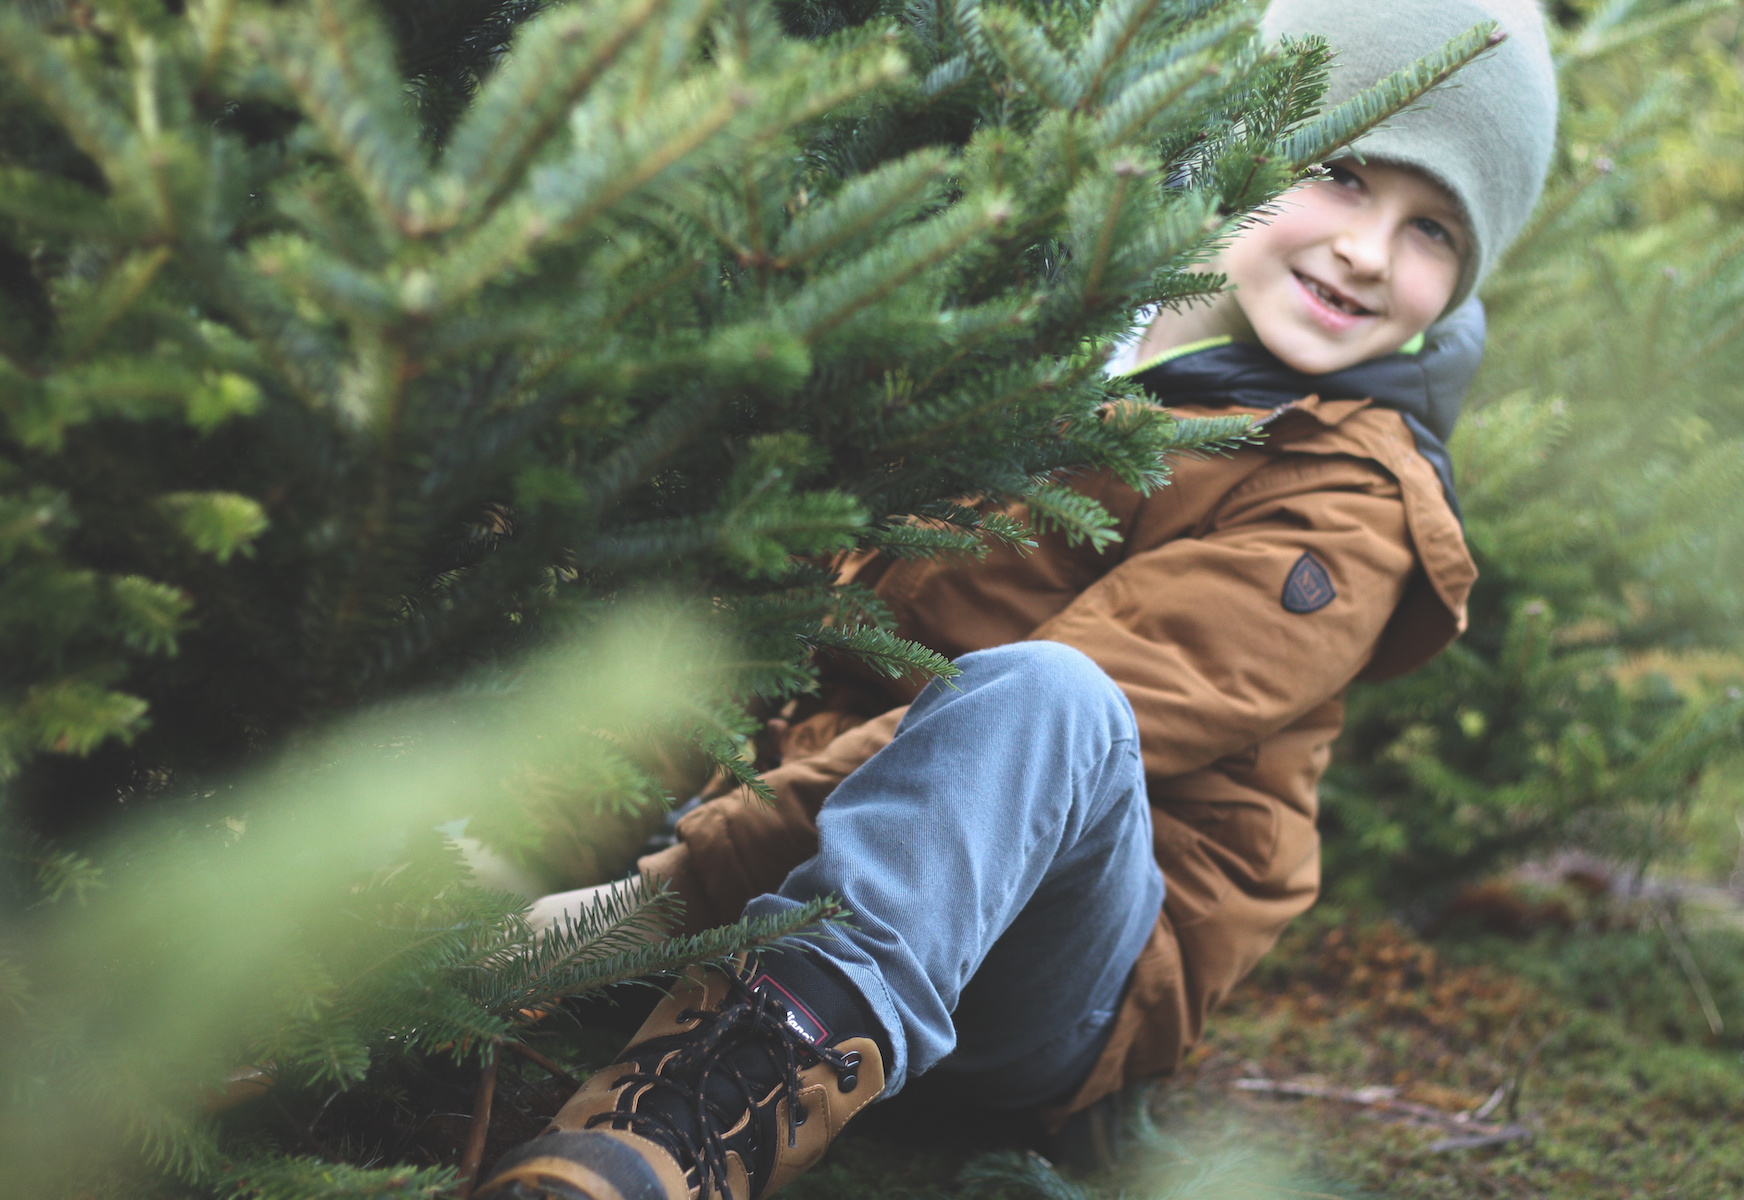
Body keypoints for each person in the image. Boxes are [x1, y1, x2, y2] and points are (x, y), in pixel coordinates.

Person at [476, 1, 1558, 1197]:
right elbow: (791, 625)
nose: (1366, 249)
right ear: (1238, 138)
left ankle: (678, 1133)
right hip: (811, 846)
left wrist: (653, 903)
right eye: (1343, 171)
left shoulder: (1350, 500)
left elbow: (1013, 738)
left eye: (1434, 232)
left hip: (1053, 980)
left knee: (1053, 696)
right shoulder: (1071, 333)